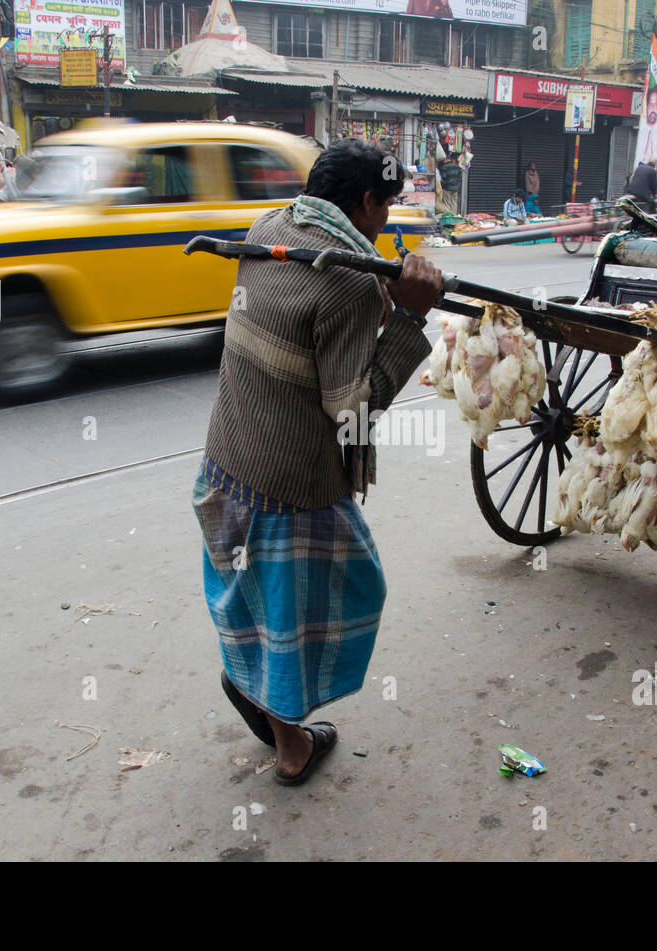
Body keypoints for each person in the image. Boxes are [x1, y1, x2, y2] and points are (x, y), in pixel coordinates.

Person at [193, 138, 441, 786]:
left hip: (223, 464)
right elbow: (351, 411)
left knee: (251, 600)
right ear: (364, 202)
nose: (387, 221)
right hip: (287, 488)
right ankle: (291, 745)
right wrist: (409, 321)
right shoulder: (352, 285)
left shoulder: (270, 225)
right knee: (328, 603)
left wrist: (380, 302)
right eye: (387, 207)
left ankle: (251, 683)